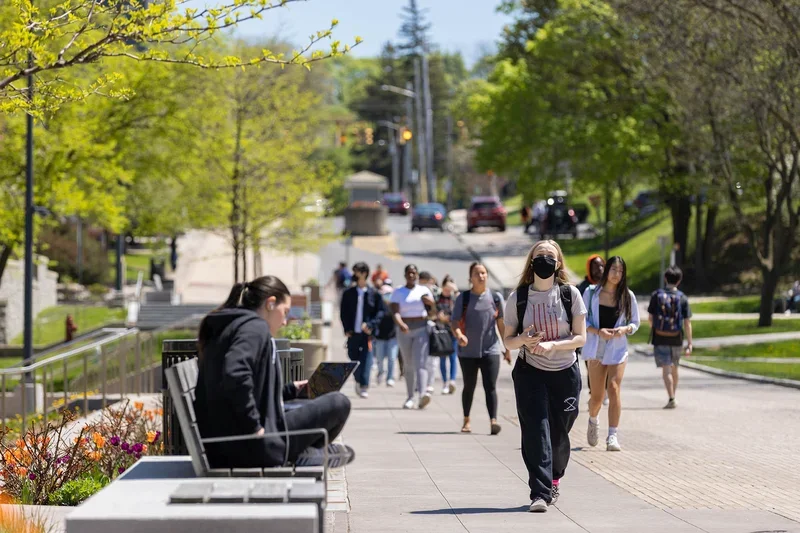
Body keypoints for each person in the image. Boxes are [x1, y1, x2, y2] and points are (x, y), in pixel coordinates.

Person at [193, 275, 354, 469]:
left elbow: (244, 387)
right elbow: (235, 373)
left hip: (225, 448)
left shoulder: (232, 326)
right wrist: (254, 427)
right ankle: (301, 455)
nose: (285, 321)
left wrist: (289, 390)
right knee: (339, 403)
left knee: (308, 400)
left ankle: (304, 454)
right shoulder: (254, 328)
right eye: (285, 312)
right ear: (270, 304)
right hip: (251, 447)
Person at [503, 240, 586, 513]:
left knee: (560, 432)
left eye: (550, 256)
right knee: (537, 431)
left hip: (565, 372)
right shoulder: (519, 297)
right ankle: (540, 493)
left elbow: (580, 337)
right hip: (530, 372)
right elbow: (508, 341)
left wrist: (553, 345)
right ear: (531, 261)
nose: (545, 260)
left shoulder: (570, 294)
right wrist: (524, 339)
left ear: (558, 263)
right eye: (540, 255)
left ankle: (554, 478)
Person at [581, 256, 640, 452]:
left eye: (620, 271)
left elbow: (635, 322)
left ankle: (612, 435)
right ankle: (593, 419)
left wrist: (625, 330)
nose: (616, 274)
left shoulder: (627, 296)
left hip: (617, 348)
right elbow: (581, 321)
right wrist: (599, 332)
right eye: (613, 269)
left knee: (614, 388)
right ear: (607, 270)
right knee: (597, 397)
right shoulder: (591, 293)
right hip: (597, 348)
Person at [451, 263, 510, 435]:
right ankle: (466, 420)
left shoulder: (496, 298)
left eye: (484, 273)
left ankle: (493, 421)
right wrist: (459, 335)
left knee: (490, 386)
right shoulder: (464, 298)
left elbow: (501, 324)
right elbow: (454, 322)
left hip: (490, 349)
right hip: (467, 351)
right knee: (469, 386)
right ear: (471, 277)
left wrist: (507, 348)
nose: (481, 276)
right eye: (477, 273)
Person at [391, 264, 436, 410]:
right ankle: (410, 396)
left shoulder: (423, 290)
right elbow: (395, 311)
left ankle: (422, 395)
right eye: (409, 273)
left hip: (421, 328)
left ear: (417, 275)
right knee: (408, 364)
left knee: (421, 363)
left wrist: (432, 303)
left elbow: (433, 313)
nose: (411, 275)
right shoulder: (398, 291)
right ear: (405, 275)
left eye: (414, 273)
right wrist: (401, 323)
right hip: (404, 329)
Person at [649, 266, 693, 409]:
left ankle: (671, 397)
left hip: (660, 337)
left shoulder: (656, 295)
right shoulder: (683, 298)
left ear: (665, 279)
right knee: (675, 368)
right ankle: (674, 394)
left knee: (666, 369)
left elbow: (650, 318)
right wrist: (690, 343)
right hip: (677, 338)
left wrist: (656, 328)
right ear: (679, 281)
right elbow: (687, 322)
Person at [340, 262, 384, 399]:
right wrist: (346, 328)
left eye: (357, 272)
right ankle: (358, 380)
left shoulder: (374, 294)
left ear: (364, 273)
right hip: (353, 334)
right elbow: (343, 313)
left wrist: (371, 325)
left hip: (367, 335)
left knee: (366, 360)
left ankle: (364, 385)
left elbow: (380, 312)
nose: (354, 274)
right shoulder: (348, 293)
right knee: (353, 359)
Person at [576, 254, 606, 402]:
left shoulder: (609, 285)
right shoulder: (583, 288)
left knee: (606, 362)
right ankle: (593, 392)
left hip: (607, 333)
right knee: (591, 364)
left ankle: (603, 390)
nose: (599, 269)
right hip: (588, 332)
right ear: (589, 268)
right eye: (595, 266)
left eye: (601, 266)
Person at [436, 275, 459, 395]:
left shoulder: (455, 299)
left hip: (453, 331)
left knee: (453, 357)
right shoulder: (437, 298)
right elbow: (433, 312)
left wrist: (455, 292)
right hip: (440, 332)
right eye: (446, 288)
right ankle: (445, 382)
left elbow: (459, 314)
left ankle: (452, 381)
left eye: (450, 289)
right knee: (442, 358)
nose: (448, 291)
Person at [373, 279, 398, 387]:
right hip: (379, 337)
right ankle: (380, 372)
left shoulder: (395, 306)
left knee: (392, 359)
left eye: (389, 294)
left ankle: (390, 377)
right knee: (379, 358)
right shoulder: (377, 306)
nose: (387, 296)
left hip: (392, 337)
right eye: (385, 294)